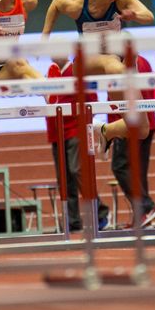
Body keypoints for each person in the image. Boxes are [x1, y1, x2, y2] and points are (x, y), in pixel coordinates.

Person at [42, 0, 155, 159]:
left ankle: (105, 130)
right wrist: (45, 36)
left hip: (114, 64)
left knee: (142, 130)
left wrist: (134, 15)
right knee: (114, 64)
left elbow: (148, 16)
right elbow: (55, 3)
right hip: (86, 63)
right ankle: (116, 89)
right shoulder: (78, 5)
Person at [45, 60, 110, 231]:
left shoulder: (77, 71)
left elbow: (92, 100)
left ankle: (100, 211)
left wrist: (87, 125)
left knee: (77, 170)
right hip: (56, 133)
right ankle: (72, 220)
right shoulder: (51, 72)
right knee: (64, 178)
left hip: (75, 130)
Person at [109, 55, 155, 228]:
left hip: (129, 125)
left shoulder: (116, 66)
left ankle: (147, 205)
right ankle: (143, 218)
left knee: (120, 166)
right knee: (138, 172)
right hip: (149, 122)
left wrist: (112, 129)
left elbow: (118, 99)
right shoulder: (145, 61)